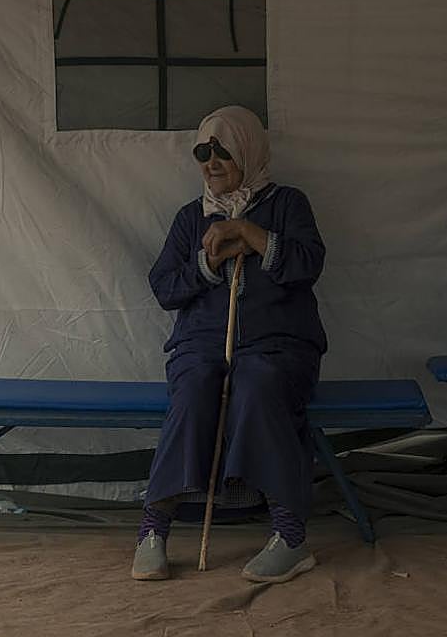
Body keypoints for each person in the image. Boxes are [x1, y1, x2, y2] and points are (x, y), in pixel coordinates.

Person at [133, 105, 327, 584]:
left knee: (259, 383)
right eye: (204, 152)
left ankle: (290, 537)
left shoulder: (288, 204)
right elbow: (163, 288)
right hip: (201, 348)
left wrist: (250, 234)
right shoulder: (189, 219)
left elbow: (307, 264)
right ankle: (152, 531)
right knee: (196, 386)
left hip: (279, 347)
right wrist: (208, 262)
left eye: (224, 151)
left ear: (249, 152)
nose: (212, 162)